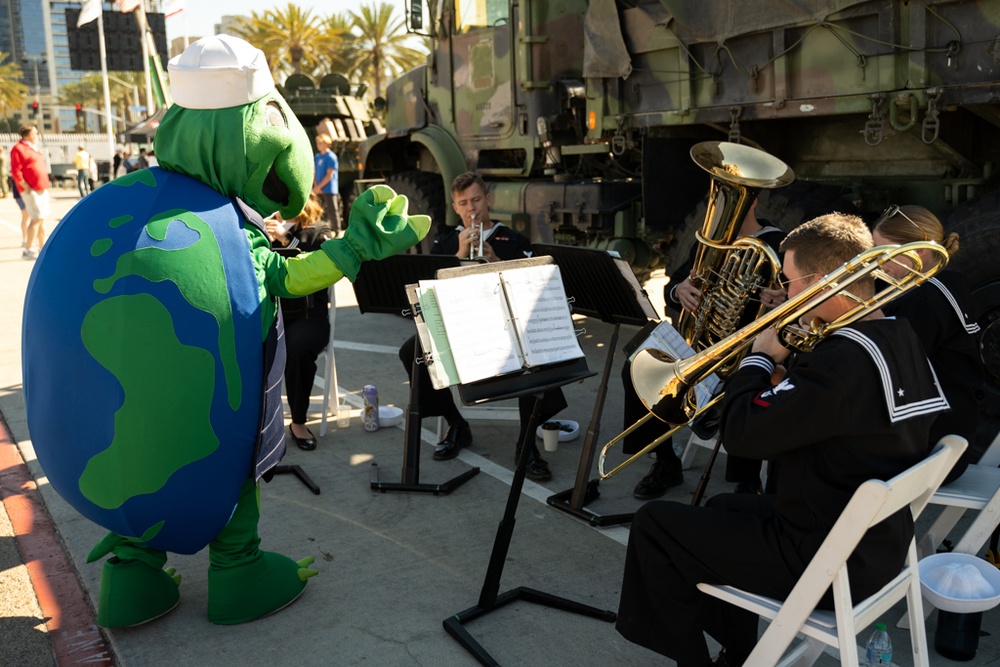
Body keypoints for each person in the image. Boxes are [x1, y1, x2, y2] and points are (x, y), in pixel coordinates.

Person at [616, 213, 950, 667]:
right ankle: (738, 652)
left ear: (826, 280)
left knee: (655, 526)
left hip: (825, 562)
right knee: (721, 508)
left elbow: (743, 435)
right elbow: (839, 412)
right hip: (876, 547)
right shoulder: (896, 333)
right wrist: (788, 377)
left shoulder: (840, 364)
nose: (787, 295)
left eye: (792, 282)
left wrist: (759, 359)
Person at [398, 171, 566, 480]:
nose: (471, 208)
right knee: (412, 352)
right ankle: (456, 423)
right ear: (455, 206)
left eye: (476, 200)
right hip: (460, 325)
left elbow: (530, 284)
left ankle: (527, 444)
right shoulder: (445, 242)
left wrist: (495, 260)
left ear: (487, 199)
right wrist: (459, 255)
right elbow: (427, 290)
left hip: (505, 325)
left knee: (540, 354)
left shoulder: (512, 239)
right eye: (463, 203)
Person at [620, 200, 786, 499]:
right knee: (636, 367)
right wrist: (679, 290)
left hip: (747, 353)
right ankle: (665, 461)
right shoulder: (712, 243)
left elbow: (799, 300)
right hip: (703, 348)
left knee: (746, 383)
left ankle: (747, 482)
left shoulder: (778, 245)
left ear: (756, 202)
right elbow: (673, 286)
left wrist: (783, 300)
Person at [873, 204, 986, 483]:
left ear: (920, 251)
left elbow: (886, 367)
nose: (878, 263)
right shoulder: (946, 283)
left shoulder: (923, 301)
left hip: (929, 447)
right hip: (950, 438)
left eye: (885, 253)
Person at [265, 194, 333, 451]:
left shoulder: (318, 232)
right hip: (272, 313)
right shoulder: (262, 231)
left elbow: (321, 266)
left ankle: (298, 421)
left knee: (298, 347)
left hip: (308, 316)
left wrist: (287, 240)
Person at [10, 125, 49, 259]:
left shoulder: (33, 148)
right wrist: (24, 185)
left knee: (42, 219)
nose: (37, 135)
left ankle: (42, 248)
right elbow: (16, 170)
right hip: (30, 189)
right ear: (28, 135)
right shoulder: (18, 148)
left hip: (41, 187)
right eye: (35, 133)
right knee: (36, 218)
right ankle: (27, 250)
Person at [312, 133, 340, 233]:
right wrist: (315, 186)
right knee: (318, 210)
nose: (318, 145)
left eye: (320, 143)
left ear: (326, 144)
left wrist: (319, 186)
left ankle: (336, 230)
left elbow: (329, 175)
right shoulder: (317, 157)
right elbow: (314, 172)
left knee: (332, 210)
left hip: (329, 188)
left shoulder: (331, 157)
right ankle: (318, 229)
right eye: (317, 143)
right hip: (318, 188)